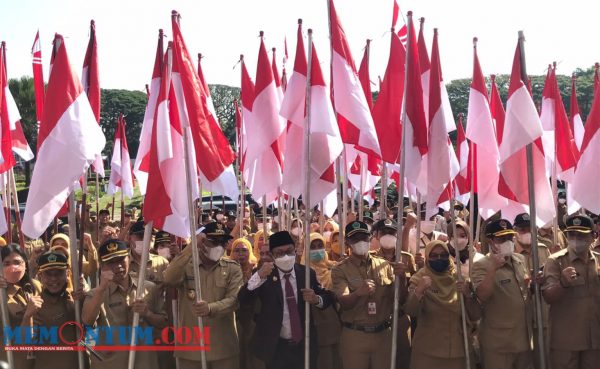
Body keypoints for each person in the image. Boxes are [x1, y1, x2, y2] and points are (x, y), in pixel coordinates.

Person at [238, 231, 334, 369]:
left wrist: (316, 299)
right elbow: (244, 299)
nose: (286, 257)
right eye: (280, 253)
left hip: (304, 345)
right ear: (272, 255)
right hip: (276, 347)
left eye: (289, 251)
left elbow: (327, 297)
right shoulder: (264, 275)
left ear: (295, 250)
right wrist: (258, 276)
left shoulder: (306, 273)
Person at [163, 221, 243, 369]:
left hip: (223, 347)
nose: (219, 246)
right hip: (191, 347)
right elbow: (169, 279)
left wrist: (211, 308)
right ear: (202, 242)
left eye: (223, 242)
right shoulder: (187, 265)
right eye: (213, 242)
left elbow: (235, 299)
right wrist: (190, 248)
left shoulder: (233, 268)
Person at [332, 221, 408, 369]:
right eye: (355, 239)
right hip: (355, 334)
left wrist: (402, 279)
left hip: (383, 334)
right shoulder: (340, 270)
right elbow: (344, 302)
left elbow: (400, 300)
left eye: (364, 237)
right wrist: (358, 293)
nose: (361, 242)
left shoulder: (384, 265)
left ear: (370, 238)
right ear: (347, 242)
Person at [82, 239, 167, 369]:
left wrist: (147, 313)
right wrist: (101, 288)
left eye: (121, 260)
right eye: (111, 263)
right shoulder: (95, 294)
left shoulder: (148, 288)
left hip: (144, 362)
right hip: (110, 364)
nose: (118, 266)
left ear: (128, 258)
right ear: (102, 265)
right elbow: (87, 321)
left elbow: (164, 322)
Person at [405, 240, 480, 369]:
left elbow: (475, 315)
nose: (439, 258)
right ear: (427, 258)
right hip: (428, 353)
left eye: (443, 255)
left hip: (459, 351)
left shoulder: (461, 279)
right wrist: (419, 291)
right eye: (434, 255)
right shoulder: (419, 279)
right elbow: (411, 311)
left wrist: (469, 295)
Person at [471, 219, 533, 369]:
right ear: (490, 241)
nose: (507, 242)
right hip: (499, 343)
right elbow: (482, 295)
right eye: (501, 239)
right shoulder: (481, 265)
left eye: (509, 238)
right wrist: (493, 269)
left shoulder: (519, 259)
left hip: (524, 338)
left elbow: (524, 290)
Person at [542, 214, 600, 369]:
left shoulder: (598, 260)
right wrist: (563, 284)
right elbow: (548, 296)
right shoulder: (556, 261)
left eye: (581, 234)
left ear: (593, 236)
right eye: (571, 234)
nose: (575, 238)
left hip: (594, 340)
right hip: (566, 341)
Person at [370, 218, 417, 369]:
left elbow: (413, 285)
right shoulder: (370, 258)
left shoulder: (406, 258)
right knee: (381, 359)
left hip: (401, 317)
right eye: (384, 232)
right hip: (379, 318)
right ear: (377, 235)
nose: (388, 236)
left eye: (391, 232)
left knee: (403, 357)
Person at [31, 251, 83, 369]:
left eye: (59, 273)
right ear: (40, 276)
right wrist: (27, 318)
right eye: (48, 274)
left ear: (67, 273)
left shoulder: (77, 299)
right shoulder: (35, 307)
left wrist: (83, 301)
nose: (53, 278)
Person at [302, 233, 342, 369]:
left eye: (320, 246)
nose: (317, 250)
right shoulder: (301, 272)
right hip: (309, 324)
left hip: (331, 324)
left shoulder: (335, 269)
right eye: (312, 247)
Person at [0, 244, 42, 369]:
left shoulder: (36, 286)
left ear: (26, 264)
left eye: (17, 262)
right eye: (6, 263)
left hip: (40, 359)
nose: (13, 268)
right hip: (11, 361)